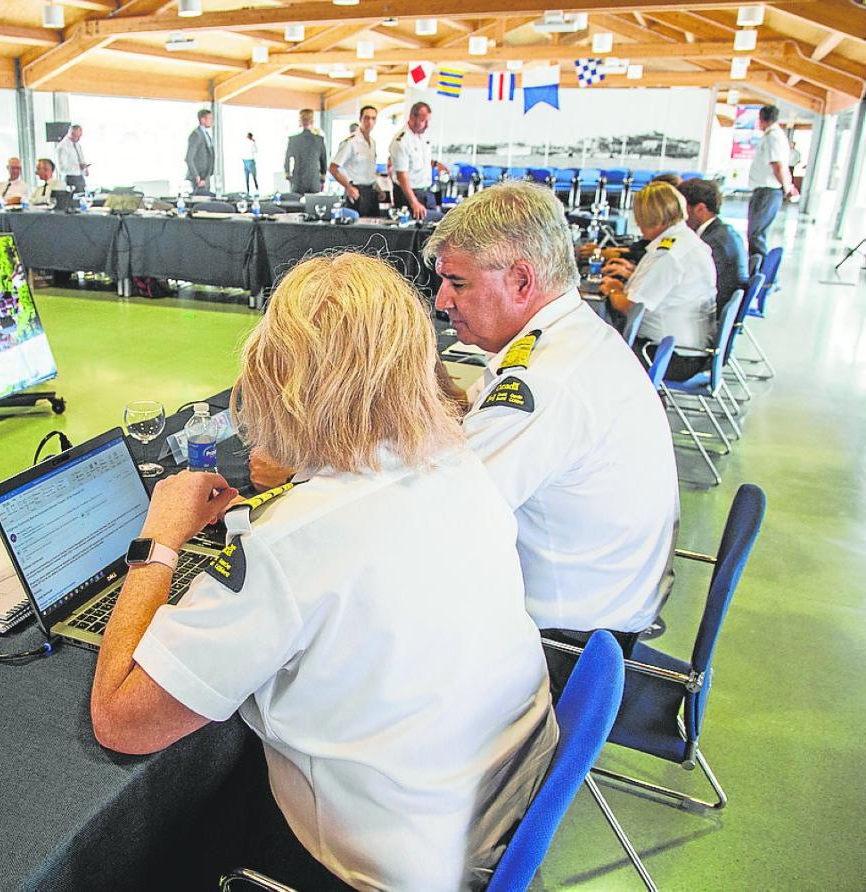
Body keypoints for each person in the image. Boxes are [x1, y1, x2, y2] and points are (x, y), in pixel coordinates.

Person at [91, 251, 558, 890]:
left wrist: (160, 538)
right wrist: (311, 470)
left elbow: (121, 722)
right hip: (487, 806)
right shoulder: (459, 465)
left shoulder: (291, 545)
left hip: (376, 863)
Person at [424, 182, 678, 692]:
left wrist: (309, 470)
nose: (441, 299)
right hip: (607, 604)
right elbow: (470, 417)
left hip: (564, 645)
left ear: (521, 280)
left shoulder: (548, 380)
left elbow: (431, 513)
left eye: (457, 282)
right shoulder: (563, 337)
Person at [599, 182, 717, 381]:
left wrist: (611, 291)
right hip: (684, 348)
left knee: (591, 349)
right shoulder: (685, 240)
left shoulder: (669, 255)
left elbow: (632, 307)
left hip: (668, 354)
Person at [678, 178, 748, 320]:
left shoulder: (712, 243)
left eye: (682, 210)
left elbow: (691, 286)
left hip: (707, 317)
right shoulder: (723, 232)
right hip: (716, 310)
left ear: (700, 209)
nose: (680, 217)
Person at [746, 104, 799, 260]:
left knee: (756, 234)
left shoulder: (774, 137)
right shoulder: (773, 136)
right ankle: (757, 266)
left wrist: (787, 188)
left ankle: (759, 270)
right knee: (756, 232)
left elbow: (778, 166)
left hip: (767, 191)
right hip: (765, 191)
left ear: (761, 119)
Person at [389, 101, 447, 221]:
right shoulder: (401, 141)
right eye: (423, 121)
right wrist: (414, 202)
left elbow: (420, 161)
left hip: (426, 192)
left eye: (428, 121)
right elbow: (401, 175)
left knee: (433, 228)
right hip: (409, 195)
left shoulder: (423, 136)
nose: (426, 125)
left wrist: (436, 164)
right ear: (412, 117)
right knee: (411, 233)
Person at [329, 105, 381, 217]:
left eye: (373, 118)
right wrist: (348, 187)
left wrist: (378, 188)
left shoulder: (372, 142)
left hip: (371, 191)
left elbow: (368, 170)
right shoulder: (351, 142)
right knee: (359, 231)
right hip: (356, 191)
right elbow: (333, 168)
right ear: (360, 119)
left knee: (374, 230)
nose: (370, 122)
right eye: (367, 118)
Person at [283, 109, 327, 195]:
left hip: (298, 179)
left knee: (297, 205)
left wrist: (287, 173)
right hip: (314, 179)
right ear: (312, 121)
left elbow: (287, 158)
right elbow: (323, 160)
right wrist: (323, 175)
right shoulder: (319, 139)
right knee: (313, 205)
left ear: (300, 121)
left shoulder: (293, 140)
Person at [185, 108, 215, 195]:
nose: (211, 121)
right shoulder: (196, 134)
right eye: (210, 119)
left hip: (206, 176)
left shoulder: (206, 135)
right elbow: (189, 158)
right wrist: (196, 176)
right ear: (202, 120)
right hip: (199, 178)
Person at [55, 124, 90, 194]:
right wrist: (78, 167)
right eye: (76, 136)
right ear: (71, 133)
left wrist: (85, 169)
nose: (78, 139)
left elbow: (81, 159)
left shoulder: (77, 145)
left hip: (80, 178)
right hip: (70, 179)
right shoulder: (62, 147)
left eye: (80, 136)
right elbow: (62, 169)